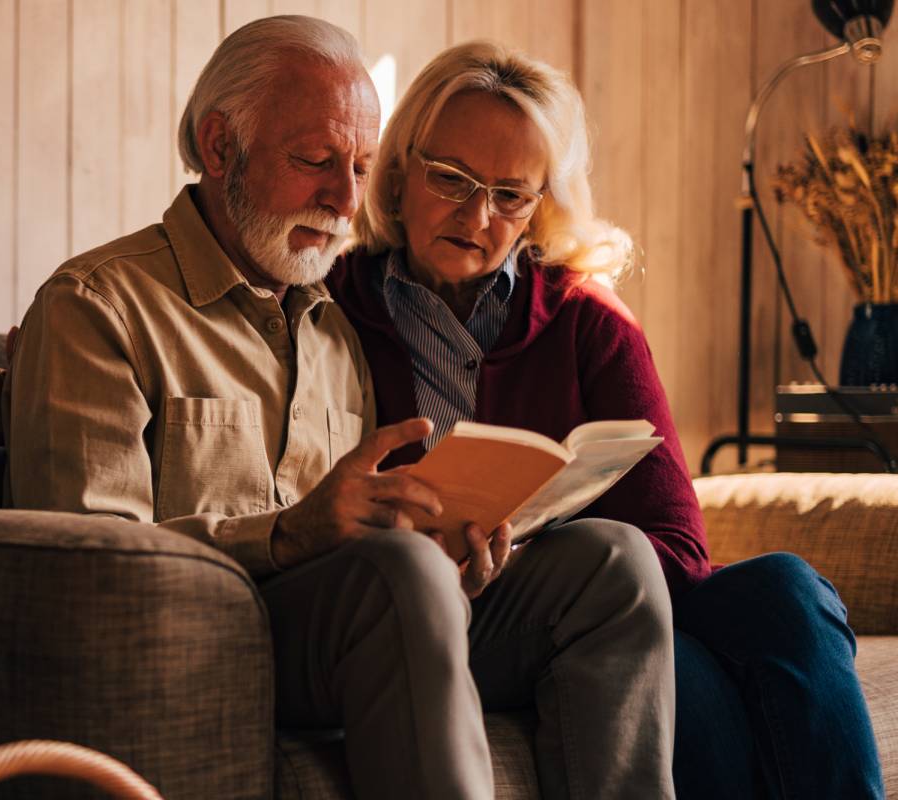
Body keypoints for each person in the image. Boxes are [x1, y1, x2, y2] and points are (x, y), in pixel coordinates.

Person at [0, 16, 675, 799]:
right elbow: (84, 570)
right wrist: (289, 535)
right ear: (220, 149)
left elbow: (370, 549)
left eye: (359, 165)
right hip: (198, 632)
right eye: (315, 160)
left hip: (350, 628)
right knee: (398, 572)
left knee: (613, 560)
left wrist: (458, 559)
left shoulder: (337, 326)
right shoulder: (101, 308)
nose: (346, 197)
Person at [325, 41, 883, 800]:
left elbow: (682, 547)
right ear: (400, 172)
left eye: (509, 195)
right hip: (440, 618)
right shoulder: (332, 309)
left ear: (540, 207)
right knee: (682, 675)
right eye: (451, 180)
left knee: (788, 590)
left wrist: (545, 555)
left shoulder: (586, 319)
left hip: (598, 603)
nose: (478, 216)